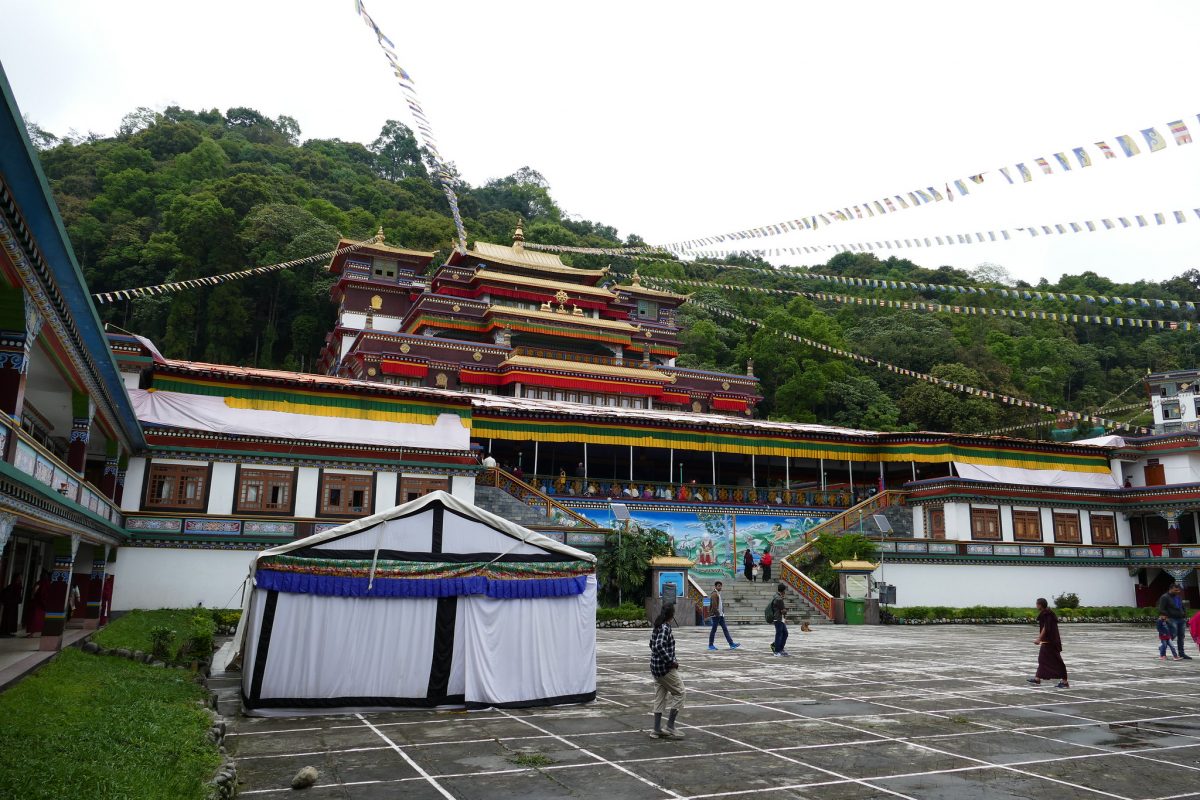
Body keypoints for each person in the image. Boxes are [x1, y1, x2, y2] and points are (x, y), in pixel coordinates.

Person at [648, 604, 685, 739]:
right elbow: (658, 645)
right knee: (680, 692)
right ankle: (670, 725)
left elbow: (651, 644)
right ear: (672, 615)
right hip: (664, 668)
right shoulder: (665, 628)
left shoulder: (658, 625)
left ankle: (656, 729)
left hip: (655, 667)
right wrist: (670, 661)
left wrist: (659, 658)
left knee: (660, 696)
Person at [1028, 597, 1069, 687]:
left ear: (1040, 605)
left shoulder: (1047, 614)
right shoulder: (1046, 613)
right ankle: (1037, 679)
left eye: (1037, 604)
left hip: (1052, 642)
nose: (1036, 606)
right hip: (1047, 641)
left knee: (1058, 661)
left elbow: (1046, 627)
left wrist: (1039, 638)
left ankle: (1065, 682)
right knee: (1042, 659)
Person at [1157, 584, 1192, 660]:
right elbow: (1161, 609)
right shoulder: (1165, 597)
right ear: (1170, 589)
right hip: (1172, 619)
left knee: (1181, 636)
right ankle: (1163, 649)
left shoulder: (1178, 597)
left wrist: (1184, 614)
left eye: (1178, 590)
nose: (1177, 592)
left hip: (1181, 619)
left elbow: (1181, 607)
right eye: (1175, 590)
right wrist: (1168, 616)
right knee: (1172, 635)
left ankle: (1181, 653)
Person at [706, 581, 740, 651]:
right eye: (718, 586)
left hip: (720, 615)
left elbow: (719, 605)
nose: (720, 587)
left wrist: (721, 613)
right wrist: (717, 614)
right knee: (714, 630)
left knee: (725, 629)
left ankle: (731, 644)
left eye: (720, 586)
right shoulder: (714, 594)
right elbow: (715, 606)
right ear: (715, 586)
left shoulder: (718, 594)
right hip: (716, 615)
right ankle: (710, 645)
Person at [25, 570, 49, 637]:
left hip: (37, 604)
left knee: (34, 619)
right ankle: (42, 633)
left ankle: (32, 633)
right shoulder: (47, 584)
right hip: (43, 604)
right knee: (41, 619)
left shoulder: (39, 583)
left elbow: (34, 592)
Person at [771, 583, 790, 656]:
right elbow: (783, 610)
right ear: (783, 591)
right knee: (779, 634)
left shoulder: (776, 596)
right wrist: (785, 611)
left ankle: (779, 648)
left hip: (779, 618)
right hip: (778, 618)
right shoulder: (779, 598)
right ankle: (777, 651)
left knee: (784, 633)